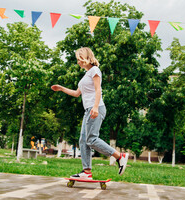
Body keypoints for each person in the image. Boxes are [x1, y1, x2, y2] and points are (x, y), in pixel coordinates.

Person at [51, 47, 129, 180]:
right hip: (88, 110)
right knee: (83, 140)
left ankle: (119, 156)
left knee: (91, 139)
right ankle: (87, 172)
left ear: (86, 57)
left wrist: (95, 107)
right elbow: (77, 93)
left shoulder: (95, 70)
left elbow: (98, 90)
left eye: (79, 59)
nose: (78, 63)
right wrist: (61, 88)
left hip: (96, 108)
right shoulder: (86, 74)